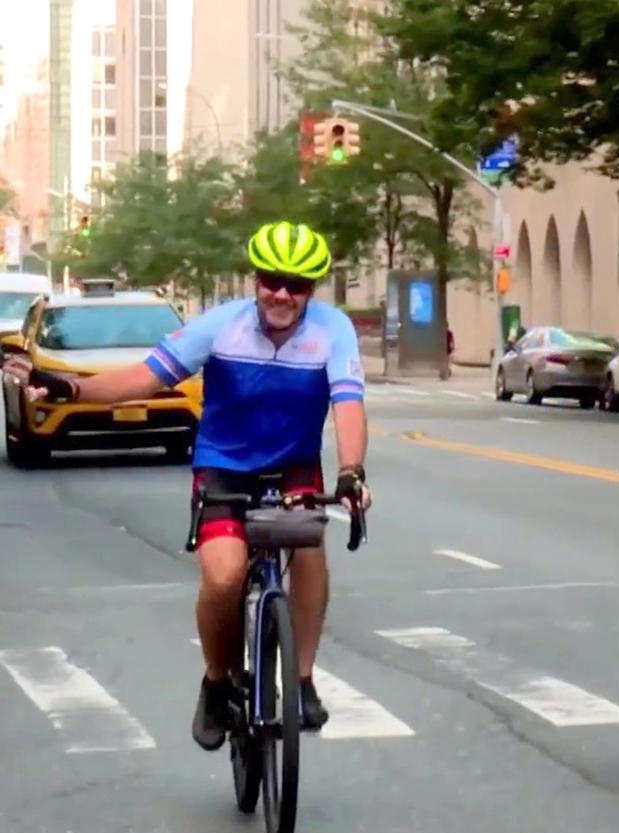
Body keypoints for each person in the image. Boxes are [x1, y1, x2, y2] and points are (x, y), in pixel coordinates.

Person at [3, 221, 372, 749]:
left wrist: (352, 471)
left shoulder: (332, 329)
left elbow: (349, 404)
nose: (282, 295)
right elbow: (145, 378)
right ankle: (216, 683)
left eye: (298, 285)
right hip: (223, 463)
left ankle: (303, 679)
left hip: (293, 463)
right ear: (256, 280)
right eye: (272, 281)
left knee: (308, 546)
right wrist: (71, 387)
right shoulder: (221, 326)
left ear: (312, 289)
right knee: (223, 577)